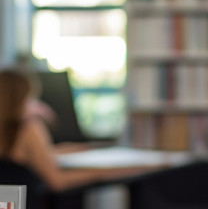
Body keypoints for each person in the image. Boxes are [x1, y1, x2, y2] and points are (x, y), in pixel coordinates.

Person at [0, 68, 130, 194]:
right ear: (20, 99)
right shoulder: (28, 129)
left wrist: (84, 148)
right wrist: (103, 172)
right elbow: (57, 182)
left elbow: (43, 153)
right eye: (31, 98)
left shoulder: (10, 133)